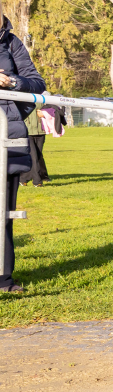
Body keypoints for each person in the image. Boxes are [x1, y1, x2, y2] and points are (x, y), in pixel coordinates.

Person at [0, 15, 44, 294]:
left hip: (7, 136)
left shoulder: (11, 42)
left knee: (2, 212)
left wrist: (12, 83)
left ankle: (3, 280)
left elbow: (37, 84)